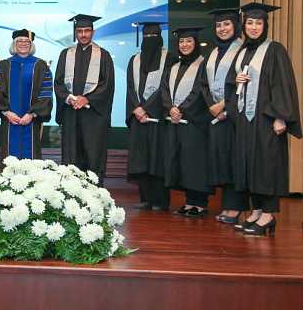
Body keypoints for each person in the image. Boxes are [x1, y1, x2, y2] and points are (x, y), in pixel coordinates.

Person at [226, 2, 302, 236]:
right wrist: (236, 81)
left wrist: (281, 117)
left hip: (267, 119)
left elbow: (283, 84)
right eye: (250, 23)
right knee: (250, 166)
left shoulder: (275, 50)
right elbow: (231, 85)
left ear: (265, 25)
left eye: (258, 23)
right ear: (244, 26)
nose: (254, 27)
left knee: (267, 166)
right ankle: (257, 210)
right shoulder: (242, 52)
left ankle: (269, 215)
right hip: (246, 120)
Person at [54, 14, 115, 178]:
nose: (83, 34)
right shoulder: (65, 54)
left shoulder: (103, 55)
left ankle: (95, 190)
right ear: (75, 33)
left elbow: (107, 85)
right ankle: (72, 190)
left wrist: (87, 99)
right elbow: (58, 82)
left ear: (93, 32)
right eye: (79, 31)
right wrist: (69, 98)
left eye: (87, 30)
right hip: (71, 113)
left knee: (93, 155)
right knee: (71, 156)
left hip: (93, 116)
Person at [200, 8, 246, 224]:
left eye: (227, 24)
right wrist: (212, 105)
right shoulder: (213, 53)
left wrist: (225, 107)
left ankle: (236, 208)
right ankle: (228, 205)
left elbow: (246, 83)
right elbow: (203, 83)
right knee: (223, 162)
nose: (222, 29)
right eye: (218, 25)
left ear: (236, 26)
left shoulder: (243, 50)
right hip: (216, 116)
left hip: (235, 116)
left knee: (235, 161)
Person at [161, 25, 212, 217]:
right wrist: (170, 108)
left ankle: (200, 203)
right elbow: (164, 90)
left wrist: (181, 109)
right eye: (181, 41)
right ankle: (190, 202)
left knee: (196, 163)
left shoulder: (204, 65)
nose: (184, 44)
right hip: (176, 122)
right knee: (184, 163)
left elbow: (200, 91)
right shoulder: (173, 67)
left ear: (196, 43)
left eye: (189, 41)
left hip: (195, 122)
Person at [126, 22, 172, 210]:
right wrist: (136, 108)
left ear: (160, 39)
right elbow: (130, 87)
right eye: (146, 37)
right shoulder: (134, 60)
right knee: (141, 159)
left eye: (153, 37)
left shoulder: (169, 59)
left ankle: (160, 200)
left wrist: (147, 109)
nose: (149, 40)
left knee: (157, 159)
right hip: (138, 118)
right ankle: (145, 198)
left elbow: (166, 87)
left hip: (157, 118)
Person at [0, 29, 53, 159]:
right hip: (9, 119)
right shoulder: (3, 65)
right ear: (14, 43)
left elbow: (46, 92)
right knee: (9, 157)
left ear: (31, 44)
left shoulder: (41, 65)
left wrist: (32, 114)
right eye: (20, 41)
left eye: (27, 41)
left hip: (31, 120)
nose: (23, 43)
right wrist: (6, 112)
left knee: (31, 156)